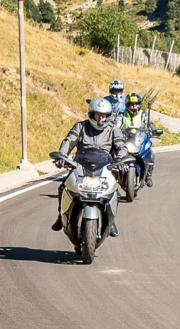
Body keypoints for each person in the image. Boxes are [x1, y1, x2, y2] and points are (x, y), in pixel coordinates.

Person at [50, 98, 128, 237]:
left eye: (104, 115)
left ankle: (111, 221)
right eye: (98, 115)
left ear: (108, 116)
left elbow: (121, 145)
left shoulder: (113, 130)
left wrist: (121, 159)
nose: (101, 118)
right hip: (81, 164)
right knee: (63, 187)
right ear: (91, 114)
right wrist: (62, 155)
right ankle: (60, 215)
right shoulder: (80, 126)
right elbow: (69, 140)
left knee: (114, 191)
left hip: (105, 166)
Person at [122, 92, 156, 187]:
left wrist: (151, 130)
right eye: (131, 104)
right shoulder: (122, 115)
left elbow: (149, 124)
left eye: (136, 104)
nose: (133, 106)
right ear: (127, 105)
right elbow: (116, 125)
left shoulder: (143, 115)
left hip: (139, 140)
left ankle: (148, 176)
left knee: (151, 154)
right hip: (125, 140)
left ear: (139, 105)